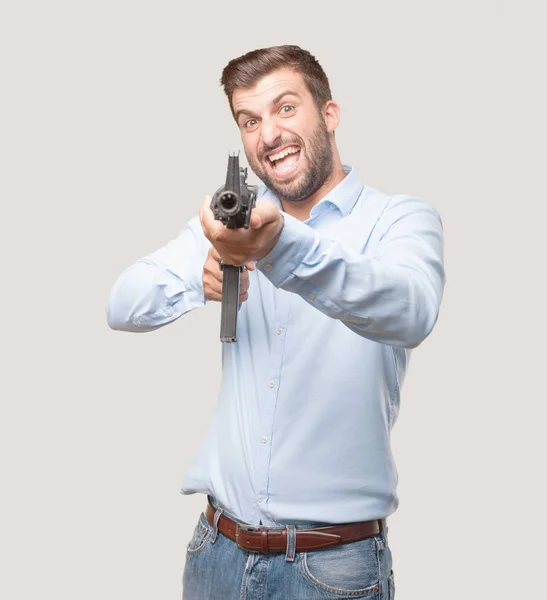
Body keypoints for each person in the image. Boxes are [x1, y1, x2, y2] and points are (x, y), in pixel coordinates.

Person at [107, 45, 445, 600]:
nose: (268, 134)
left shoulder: (399, 220)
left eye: (286, 108)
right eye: (250, 120)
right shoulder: (230, 222)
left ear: (329, 115)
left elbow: (411, 310)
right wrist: (205, 273)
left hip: (333, 569)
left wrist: (283, 247)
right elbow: (121, 304)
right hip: (217, 554)